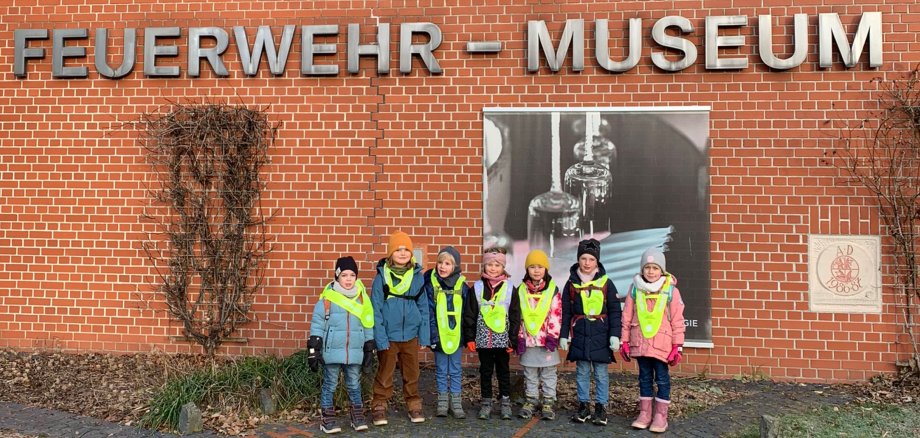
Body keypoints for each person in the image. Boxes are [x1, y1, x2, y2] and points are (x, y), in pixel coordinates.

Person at [620, 247, 685, 433]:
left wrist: (677, 346)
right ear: (642, 269)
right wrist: (624, 341)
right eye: (647, 267)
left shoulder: (671, 291)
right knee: (644, 378)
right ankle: (645, 414)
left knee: (662, 379)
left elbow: (678, 320)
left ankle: (660, 416)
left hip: (662, 344)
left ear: (662, 270)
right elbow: (626, 316)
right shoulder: (635, 289)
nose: (650, 271)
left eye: (655, 268)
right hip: (640, 342)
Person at [307, 256, 376, 434]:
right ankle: (327, 418)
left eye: (352, 275)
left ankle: (357, 415)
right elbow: (317, 324)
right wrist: (314, 349)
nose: (348, 279)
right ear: (337, 276)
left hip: (354, 351)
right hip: (332, 351)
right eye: (344, 275)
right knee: (330, 384)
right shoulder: (327, 299)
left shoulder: (362, 299)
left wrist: (369, 346)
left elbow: (367, 323)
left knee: (354, 384)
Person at [369, 231, 430, 425]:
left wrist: (424, 335)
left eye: (406, 250)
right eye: (398, 249)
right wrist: (380, 337)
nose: (403, 253)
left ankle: (414, 404)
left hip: (411, 334)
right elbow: (375, 310)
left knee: (412, 373)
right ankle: (379, 404)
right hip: (388, 334)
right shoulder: (381, 278)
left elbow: (423, 307)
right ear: (390, 253)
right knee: (385, 373)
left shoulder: (417, 278)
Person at [559, 238, 622, 426]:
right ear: (578, 259)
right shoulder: (571, 284)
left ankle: (601, 407)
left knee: (601, 373)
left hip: (601, 335)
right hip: (580, 334)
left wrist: (614, 335)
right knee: (582, 372)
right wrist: (564, 335)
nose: (587, 263)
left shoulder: (606, 283)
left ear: (597, 262)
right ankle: (583, 405)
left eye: (591, 260)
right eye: (584, 258)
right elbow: (566, 312)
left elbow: (614, 311)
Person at [462, 246, 521, 420]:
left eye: (497, 265)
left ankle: (505, 402)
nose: (493, 268)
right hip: (483, 339)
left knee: (503, 371)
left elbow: (515, 315)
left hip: (503, 340)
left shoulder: (511, 288)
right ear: (484, 266)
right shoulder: (477, 288)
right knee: (485, 371)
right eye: (489, 264)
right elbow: (470, 313)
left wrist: (513, 339)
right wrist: (470, 337)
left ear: (503, 267)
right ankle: (486, 402)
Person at [514, 249, 562, 420]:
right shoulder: (520, 290)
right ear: (527, 269)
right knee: (530, 372)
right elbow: (517, 316)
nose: (536, 270)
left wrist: (552, 336)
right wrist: (519, 338)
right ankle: (531, 399)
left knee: (548, 372)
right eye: (532, 267)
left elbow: (556, 314)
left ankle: (549, 400)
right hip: (528, 340)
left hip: (546, 340)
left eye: (540, 267)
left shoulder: (552, 289)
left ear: (546, 269)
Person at [424, 246, 469, 419]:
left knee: (456, 369)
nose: (443, 267)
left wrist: (466, 336)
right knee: (441, 369)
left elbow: (467, 313)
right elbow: (429, 313)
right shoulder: (431, 286)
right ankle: (442, 402)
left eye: (448, 263)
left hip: (456, 336)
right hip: (439, 336)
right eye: (440, 263)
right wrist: (433, 337)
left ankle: (456, 402)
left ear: (455, 266)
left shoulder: (462, 287)